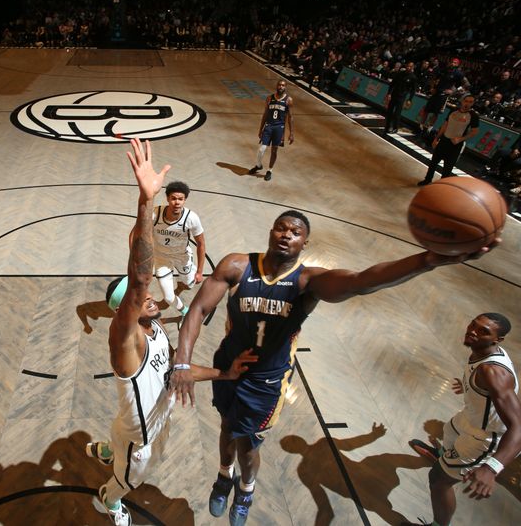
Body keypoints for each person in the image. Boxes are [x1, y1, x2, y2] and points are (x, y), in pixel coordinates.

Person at [170, 210, 498, 526]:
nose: (287, 234)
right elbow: (198, 309)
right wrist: (183, 361)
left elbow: (361, 281)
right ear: (271, 231)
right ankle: (224, 477)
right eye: (281, 228)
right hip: (227, 366)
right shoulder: (237, 265)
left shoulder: (307, 281)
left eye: (296, 232)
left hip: (267, 381)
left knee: (247, 445)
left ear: (304, 243)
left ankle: (245, 491)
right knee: (227, 427)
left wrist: (427, 261)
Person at [87, 138, 256, 526]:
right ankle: (109, 501)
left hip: (138, 423)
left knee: (122, 434)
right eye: (140, 297)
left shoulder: (158, 328)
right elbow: (139, 276)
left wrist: (223, 374)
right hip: (138, 439)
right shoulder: (125, 341)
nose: (149, 297)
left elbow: (177, 371)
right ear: (124, 311)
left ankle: (108, 450)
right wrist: (146, 201)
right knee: (129, 481)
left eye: (147, 296)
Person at [407, 314, 521, 526]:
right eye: (474, 324)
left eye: (483, 331)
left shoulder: (492, 372)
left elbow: (520, 431)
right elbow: (488, 388)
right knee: (449, 431)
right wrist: (471, 388)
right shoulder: (484, 352)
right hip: (470, 419)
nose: (473, 331)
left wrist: (491, 468)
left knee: (437, 480)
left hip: (485, 438)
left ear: (497, 340)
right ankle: (447, 460)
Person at [149, 181, 206, 317]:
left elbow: (201, 244)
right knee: (169, 298)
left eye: (180, 199)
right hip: (161, 258)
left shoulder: (192, 218)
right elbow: (143, 234)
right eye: (173, 198)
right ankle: (185, 311)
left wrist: (200, 272)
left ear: (185, 200)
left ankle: (182, 280)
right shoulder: (155, 214)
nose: (177, 202)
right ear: (168, 198)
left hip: (182, 256)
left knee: (189, 283)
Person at [418, 95, 480, 186]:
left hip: (455, 145)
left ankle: (442, 186)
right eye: (466, 101)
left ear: (473, 104)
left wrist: (460, 139)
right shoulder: (453, 111)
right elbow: (445, 124)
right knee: (433, 163)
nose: (467, 103)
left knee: (447, 169)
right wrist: (436, 138)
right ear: (462, 101)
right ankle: (427, 180)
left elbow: (474, 131)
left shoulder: (473, 116)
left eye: (471, 102)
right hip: (444, 141)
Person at [248, 80, 294, 182]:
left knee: (274, 150)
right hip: (268, 126)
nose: (281, 87)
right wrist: (261, 129)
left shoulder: (288, 100)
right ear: (276, 86)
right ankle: (259, 165)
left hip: (279, 128)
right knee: (261, 149)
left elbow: (290, 117)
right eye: (279, 85)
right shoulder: (269, 98)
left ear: (285, 87)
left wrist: (291, 133)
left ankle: (270, 170)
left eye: (283, 85)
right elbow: (265, 114)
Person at [384, 61, 417, 134]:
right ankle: (387, 126)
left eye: (410, 66)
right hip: (394, 94)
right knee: (389, 111)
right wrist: (389, 93)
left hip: (402, 97)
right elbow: (393, 84)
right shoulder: (400, 74)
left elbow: (413, 90)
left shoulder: (413, 77)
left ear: (412, 68)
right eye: (407, 66)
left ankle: (395, 128)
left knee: (397, 113)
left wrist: (410, 99)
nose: (408, 67)